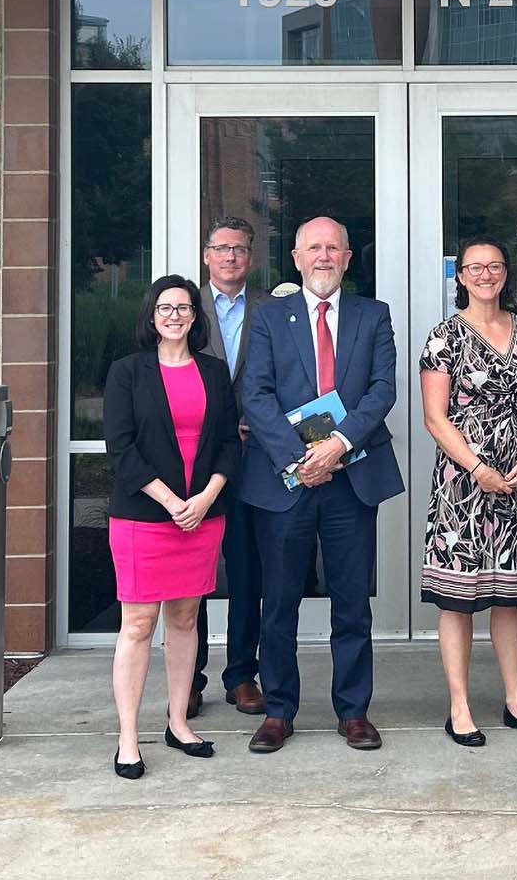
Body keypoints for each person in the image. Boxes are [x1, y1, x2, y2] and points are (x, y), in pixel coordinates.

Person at [237, 216, 405, 754]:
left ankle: (353, 710)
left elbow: (382, 391)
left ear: (349, 258)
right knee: (279, 602)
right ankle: (279, 711)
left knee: (351, 603)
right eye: (315, 248)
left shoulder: (372, 315)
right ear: (296, 256)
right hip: (286, 480)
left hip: (350, 477)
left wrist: (336, 446)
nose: (324, 256)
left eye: (334, 247)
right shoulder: (268, 318)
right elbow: (255, 394)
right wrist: (300, 456)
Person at [103, 275, 240, 780]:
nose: (176, 315)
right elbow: (120, 447)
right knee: (138, 626)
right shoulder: (126, 372)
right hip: (143, 519)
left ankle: (179, 722)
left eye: (184, 307)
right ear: (151, 315)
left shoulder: (214, 371)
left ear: (195, 317)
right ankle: (127, 738)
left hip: (201, 517)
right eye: (166, 307)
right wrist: (170, 500)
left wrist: (204, 499)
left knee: (185, 620)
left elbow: (229, 442)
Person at [419, 235, 517, 747]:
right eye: (475, 267)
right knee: (456, 599)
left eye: (494, 266)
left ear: (505, 273)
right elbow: (435, 416)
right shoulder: (443, 337)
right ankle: (459, 705)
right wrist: (477, 468)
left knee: (510, 596)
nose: (485, 275)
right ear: (460, 276)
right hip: (462, 481)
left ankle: (515, 700)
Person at [192, 216, 273, 718]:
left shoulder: (272, 310)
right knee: (196, 573)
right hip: (196, 461)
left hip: (252, 459)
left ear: (251, 256)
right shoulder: (182, 306)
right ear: (207, 255)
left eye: (240, 250)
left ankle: (242, 673)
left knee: (247, 571)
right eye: (221, 249)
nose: (230, 258)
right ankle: (191, 674)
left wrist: (254, 426)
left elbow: (284, 376)